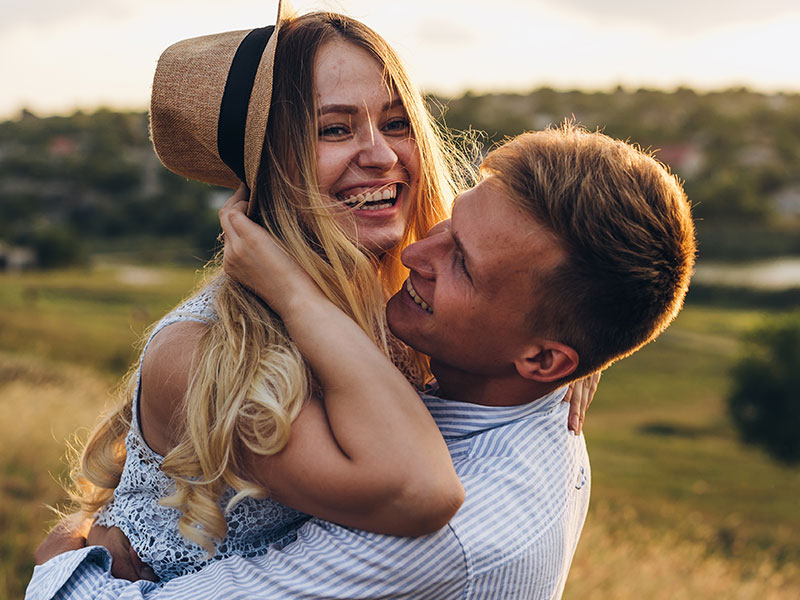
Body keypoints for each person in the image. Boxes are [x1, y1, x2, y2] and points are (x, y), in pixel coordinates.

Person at [30, 3, 595, 588]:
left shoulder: (405, 298)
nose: (381, 155)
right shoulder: (208, 355)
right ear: (271, 165)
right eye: (334, 129)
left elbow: (543, 312)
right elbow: (415, 489)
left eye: (396, 123)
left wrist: (560, 349)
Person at [27, 124, 695, 599]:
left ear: (546, 359)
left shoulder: (445, 540)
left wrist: (68, 555)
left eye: (460, 263)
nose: (414, 255)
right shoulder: (524, 385)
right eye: (451, 225)